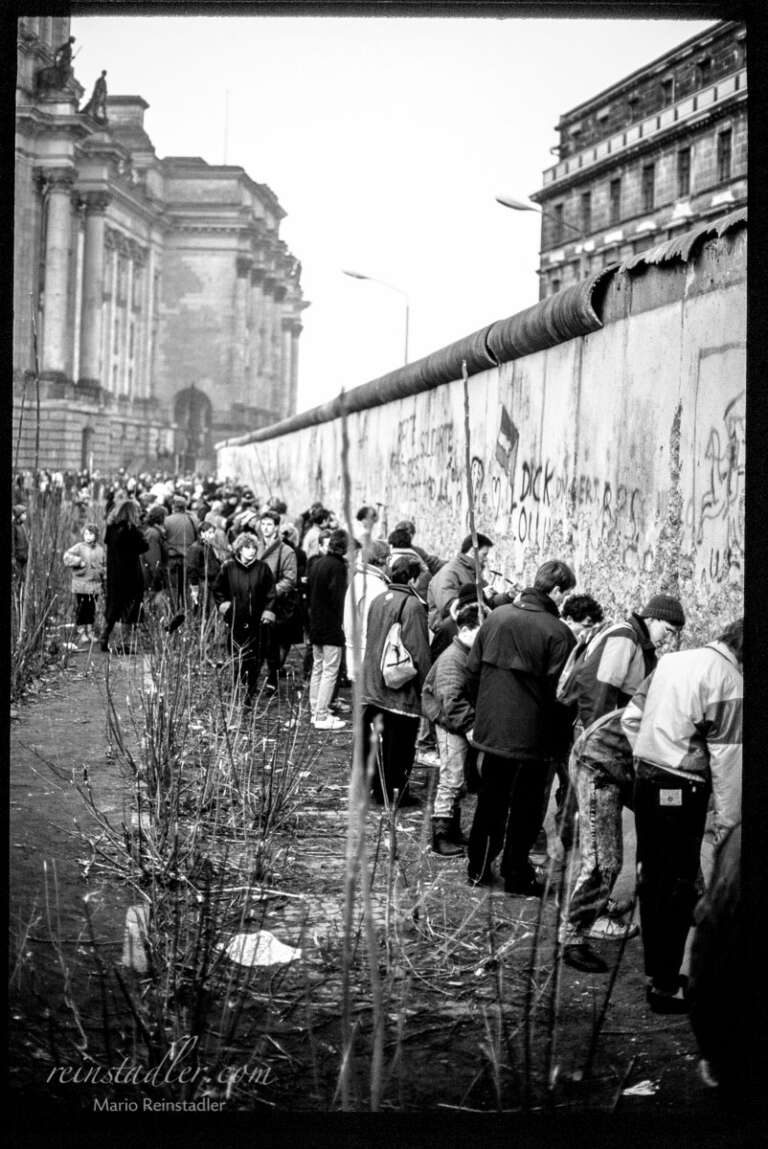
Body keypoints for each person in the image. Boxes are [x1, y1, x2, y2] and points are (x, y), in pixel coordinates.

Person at [621, 618, 743, 1014]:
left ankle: (657, 974)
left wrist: (650, 753)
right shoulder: (730, 682)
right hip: (683, 786)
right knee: (677, 885)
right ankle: (665, 984)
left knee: (651, 876)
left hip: (646, 776)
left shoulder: (672, 661)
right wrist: (729, 829)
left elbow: (630, 718)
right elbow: (728, 763)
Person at [560, 592, 686, 972]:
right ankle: (574, 935)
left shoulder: (645, 649)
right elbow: (598, 689)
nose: (671, 636)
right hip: (600, 757)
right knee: (603, 859)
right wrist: (598, 737)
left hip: (614, 758)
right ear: (654, 618)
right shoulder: (627, 636)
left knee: (614, 848)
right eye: (669, 627)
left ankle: (598, 909)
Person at [466, 559, 577, 896]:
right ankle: (516, 873)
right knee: (526, 810)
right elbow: (564, 694)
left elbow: (472, 673)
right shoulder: (559, 633)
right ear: (556, 590)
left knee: (490, 801)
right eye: (565, 592)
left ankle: (478, 868)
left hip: (493, 733)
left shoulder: (495, 618)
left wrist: (484, 714)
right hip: (534, 740)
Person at [360, 555, 432, 806]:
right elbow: (419, 651)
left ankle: (377, 788)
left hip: (374, 684)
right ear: (412, 578)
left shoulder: (379, 598)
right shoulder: (413, 606)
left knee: (378, 743)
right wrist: (427, 687)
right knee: (399, 745)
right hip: (399, 689)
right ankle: (394, 791)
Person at [422, 602, 483, 856]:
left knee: (458, 779)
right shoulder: (453, 659)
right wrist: (469, 726)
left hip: (456, 721)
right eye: (481, 632)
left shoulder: (463, 655)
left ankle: (452, 830)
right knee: (452, 778)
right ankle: (441, 835)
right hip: (451, 723)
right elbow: (451, 699)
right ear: (466, 630)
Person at [212, 532, 276, 704]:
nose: (251, 551)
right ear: (240, 549)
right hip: (235, 620)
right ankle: (236, 689)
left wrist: (268, 611)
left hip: (257, 621)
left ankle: (249, 694)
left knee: (254, 658)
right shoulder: (228, 567)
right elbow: (217, 589)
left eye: (254, 548)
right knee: (236, 657)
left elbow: (271, 592)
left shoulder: (262, 568)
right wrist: (224, 605)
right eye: (247, 548)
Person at [307, 527, 349, 729]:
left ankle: (315, 709)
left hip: (315, 623)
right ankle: (322, 715)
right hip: (332, 626)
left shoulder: (317, 563)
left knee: (318, 668)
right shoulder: (338, 567)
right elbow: (338, 598)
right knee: (330, 670)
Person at [426, 532, 507, 632]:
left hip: (468, 628)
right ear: (473, 552)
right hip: (451, 633)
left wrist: (507, 596)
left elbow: (489, 601)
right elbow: (450, 608)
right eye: (484, 555)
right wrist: (482, 596)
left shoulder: (472, 572)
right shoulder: (448, 573)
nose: (486, 559)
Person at [256, 509, 299, 690]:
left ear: (276, 528)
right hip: (253, 600)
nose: (265, 528)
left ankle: (272, 680)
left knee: (272, 643)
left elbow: (290, 579)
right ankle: (251, 679)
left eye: (269, 525)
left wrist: (272, 591)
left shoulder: (286, 551)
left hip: (274, 603)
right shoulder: (254, 546)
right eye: (263, 524)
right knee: (254, 640)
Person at [101, 499, 148, 653]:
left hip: (114, 574)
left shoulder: (111, 529)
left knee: (114, 608)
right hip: (130, 576)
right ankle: (122, 644)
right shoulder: (130, 531)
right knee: (128, 611)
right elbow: (143, 546)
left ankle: (106, 638)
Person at [343, 539, 391, 680]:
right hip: (368, 654)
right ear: (387, 560)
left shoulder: (358, 579)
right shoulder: (376, 586)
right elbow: (377, 625)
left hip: (355, 650)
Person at [62, 523, 106, 646]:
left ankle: (90, 631)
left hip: (94, 585)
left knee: (91, 608)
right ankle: (82, 632)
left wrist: (102, 572)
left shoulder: (100, 549)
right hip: (81, 584)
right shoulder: (79, 547)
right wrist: (78, 561)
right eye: (86, 534)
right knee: (82, 608)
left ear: (96, 535)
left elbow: (104, 564)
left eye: (90, 534)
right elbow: (66, 556)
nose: (87, 537)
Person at [164, 495, 199, 612]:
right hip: (188, 558)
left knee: (173, 588)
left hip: (172, 558)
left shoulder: (167, 520)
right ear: (185, 506)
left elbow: (164, 539)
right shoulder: (193, 519)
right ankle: (188, 613)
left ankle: (174, 613)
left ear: (173, 506)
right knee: (187, 587)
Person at [186, 520, 222, 620]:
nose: (212, 535)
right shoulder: (196, 548)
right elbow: (192, 568)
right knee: (202, 610)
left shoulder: (208, 546)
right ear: (202, 533)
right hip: (203, 582)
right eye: (209, 533)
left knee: (209, 610)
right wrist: (194, 588)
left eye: (213, 533)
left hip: (211, 581)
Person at [140, 503, 168, 605]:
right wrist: (157, 579)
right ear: (161, 518)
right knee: (153, 605)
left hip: (152, 577)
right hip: (151, 578)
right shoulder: (153, 533)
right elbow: (153, 561)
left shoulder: (154, 532)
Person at [12, 504, 29, 584]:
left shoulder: (22, 526)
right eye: (23, 513)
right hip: (17, 558)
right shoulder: (13, 526)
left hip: (24, 557)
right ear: (19, 515)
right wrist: (13, 557)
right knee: (17, 579)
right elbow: (13, 543)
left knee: (23, 579)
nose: (25, 515)